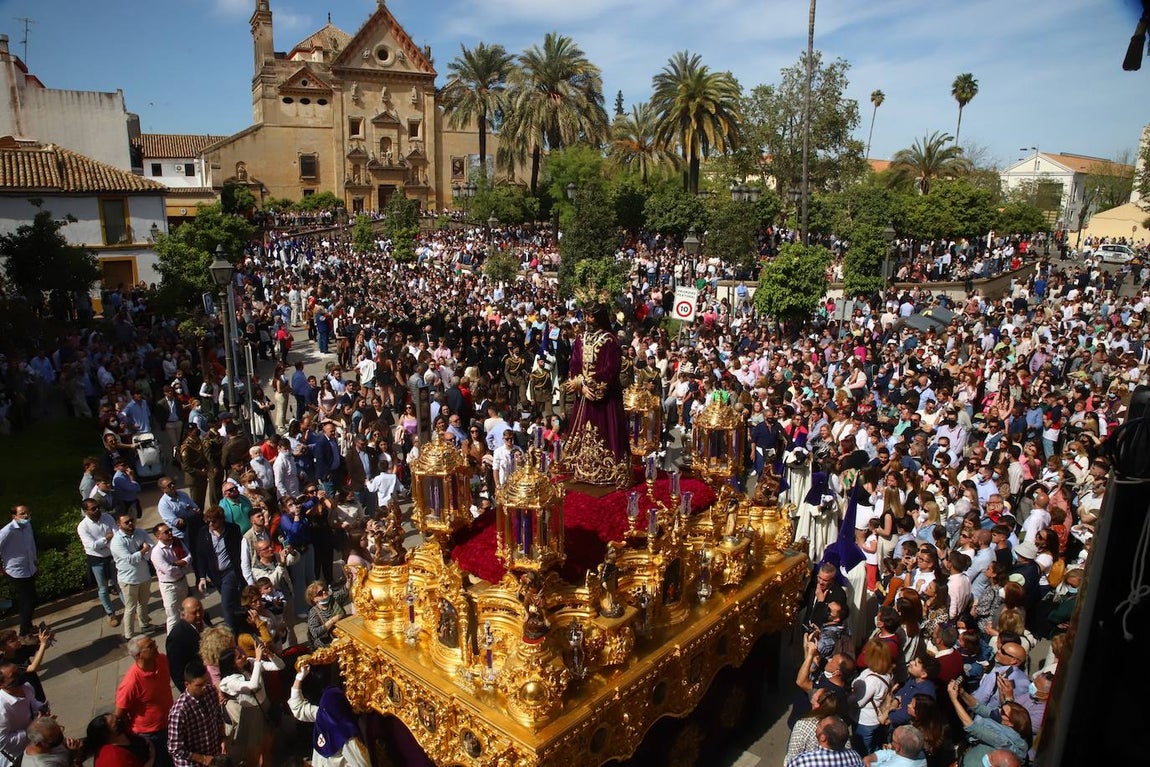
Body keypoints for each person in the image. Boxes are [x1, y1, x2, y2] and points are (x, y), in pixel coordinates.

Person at [562, 305, 631, 488]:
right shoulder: (580, 338)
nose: (587, 320)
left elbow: (611, 370)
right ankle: (581, 469)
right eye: (585, 315)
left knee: (605, 430)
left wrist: (588, 384)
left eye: (591, 316)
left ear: (599, 318)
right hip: (584, 396)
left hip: (605, 399)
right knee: (582, 432)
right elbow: (575, 363)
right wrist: (579, 384)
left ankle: (609, 471)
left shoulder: (610, 341)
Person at [217, 643, 281, 767]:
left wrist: (270, 655)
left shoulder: (251, 664)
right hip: (252, 715)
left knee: (267, 749)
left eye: (241, 653)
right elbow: (253, 685)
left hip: (265, 707)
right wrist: (258, 660)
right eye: (239, 657)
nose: (244, 656)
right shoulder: (229, 681)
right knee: (253, 756)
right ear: (232, 664)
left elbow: (279, 665)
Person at [113, 635, 173, 767]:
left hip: (171, 724)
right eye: (150, 646)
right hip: (151, 735)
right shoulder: (131, 683)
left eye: (154, 642)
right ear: (139, 655)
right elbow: (118, 715)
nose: (156, 646)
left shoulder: (162, 660)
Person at [947, 678, 1031, 766]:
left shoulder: (1002, 739)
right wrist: (962, 692)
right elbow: (978, 707)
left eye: (1002, 712)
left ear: (1010, 723)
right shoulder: (1003, 723)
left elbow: (971, 726)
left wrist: (954, 699)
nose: (998, 710)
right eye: (1001, 707)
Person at [192, 507, 244, 630]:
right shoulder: (203, 533)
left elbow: (239, 550)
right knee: (234, 602)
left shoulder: (232, 529)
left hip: (231, 572)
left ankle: (230, 633)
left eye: (214, 521)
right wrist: (202, 577)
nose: (211, 524)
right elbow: (201, 556)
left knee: (226, 604)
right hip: (215, 574)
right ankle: (242, 625)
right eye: (208, 522)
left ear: (221, 520)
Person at [166, 661, 226, 767]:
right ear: (187, 684)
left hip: (212, 755)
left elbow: (218, 717)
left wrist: (222, 739)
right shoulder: (179, 712)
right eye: (199, 685)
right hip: (190, 762)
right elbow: (174, 748)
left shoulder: (211, 692)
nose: (204, 687)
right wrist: (202, 759)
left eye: (206, 682)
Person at [109, 511, 155, 640]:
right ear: (119, 525)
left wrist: (144, 552)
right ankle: (129, 634)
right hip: (129, 580)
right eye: (126, 522)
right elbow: (129, 559)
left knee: (143, 603)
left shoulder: (140, 532)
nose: (130, 524)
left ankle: (145, 624)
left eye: (131, 521)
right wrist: (144, 550)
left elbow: (151, 545)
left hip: (144, 575)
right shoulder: (116, 542)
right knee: (130, 607)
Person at [78, 498, 122, 627]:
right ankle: (110, 613)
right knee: (103, 588)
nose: (97, 510)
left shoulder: (107, 517)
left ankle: (130, 609)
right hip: (96, 559)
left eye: (97, 507)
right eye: (93, 509)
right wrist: (107, 538)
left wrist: (105, 541)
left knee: (119, 583)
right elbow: (92, 546)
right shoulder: (83, 527)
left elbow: (116, 533)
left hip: (111, 555)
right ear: (86, 511)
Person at [852, 638, 895, 755]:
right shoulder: (887, 673)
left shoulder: (872, 680)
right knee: (874, 747)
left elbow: (859, 702)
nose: (864, 652)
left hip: (865, 721)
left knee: (863, 753)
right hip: (874, 720)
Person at [0, 505, 38, 638]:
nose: (26, 516)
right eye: (22, 514)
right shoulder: (8, 530)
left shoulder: (28, 526)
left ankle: (28, 625)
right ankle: (24, 632)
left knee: (30, 600)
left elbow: (31, 544)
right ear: (14, 516)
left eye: (27, 513)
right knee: (28, 601)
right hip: (16, 571)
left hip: (29, 568)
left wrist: (34, 559)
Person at [150, 524, 192, 634]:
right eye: (166, 532)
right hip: (169, 586)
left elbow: (188, 557)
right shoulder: (156, 552)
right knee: (173, 616)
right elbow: (169, 571)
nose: (170, 533)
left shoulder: (177, 542)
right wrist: (182, 566)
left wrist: (179, 564)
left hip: (182, 582)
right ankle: (172, 640)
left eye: (170, 530)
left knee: (185, 610)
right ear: (158, 536)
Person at [83, 712, 155, 767]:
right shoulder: (117, 759)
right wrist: (152, 758)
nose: (120, 721)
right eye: (116, 725)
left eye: (117, 718)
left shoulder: (121, 735)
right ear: (107, 736)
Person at [788, 715, 865, 767]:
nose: (817, 725)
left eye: (820, 724)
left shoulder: (802, 761)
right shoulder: (855, 757)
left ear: (823, 738)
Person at [166, 598, 206, 694]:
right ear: (183, 615)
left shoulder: (202, 621)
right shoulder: (177, 637)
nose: (198, 615)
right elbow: (176, 671)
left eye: (200, 610)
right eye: (194, 612)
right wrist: (188, 693)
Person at [861, 724, 927, 767]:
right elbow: (891, 752)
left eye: (893, 741)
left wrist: (866, 761)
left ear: (898, 748)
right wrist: (869, 758)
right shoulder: (918, 752)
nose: (891, 743)